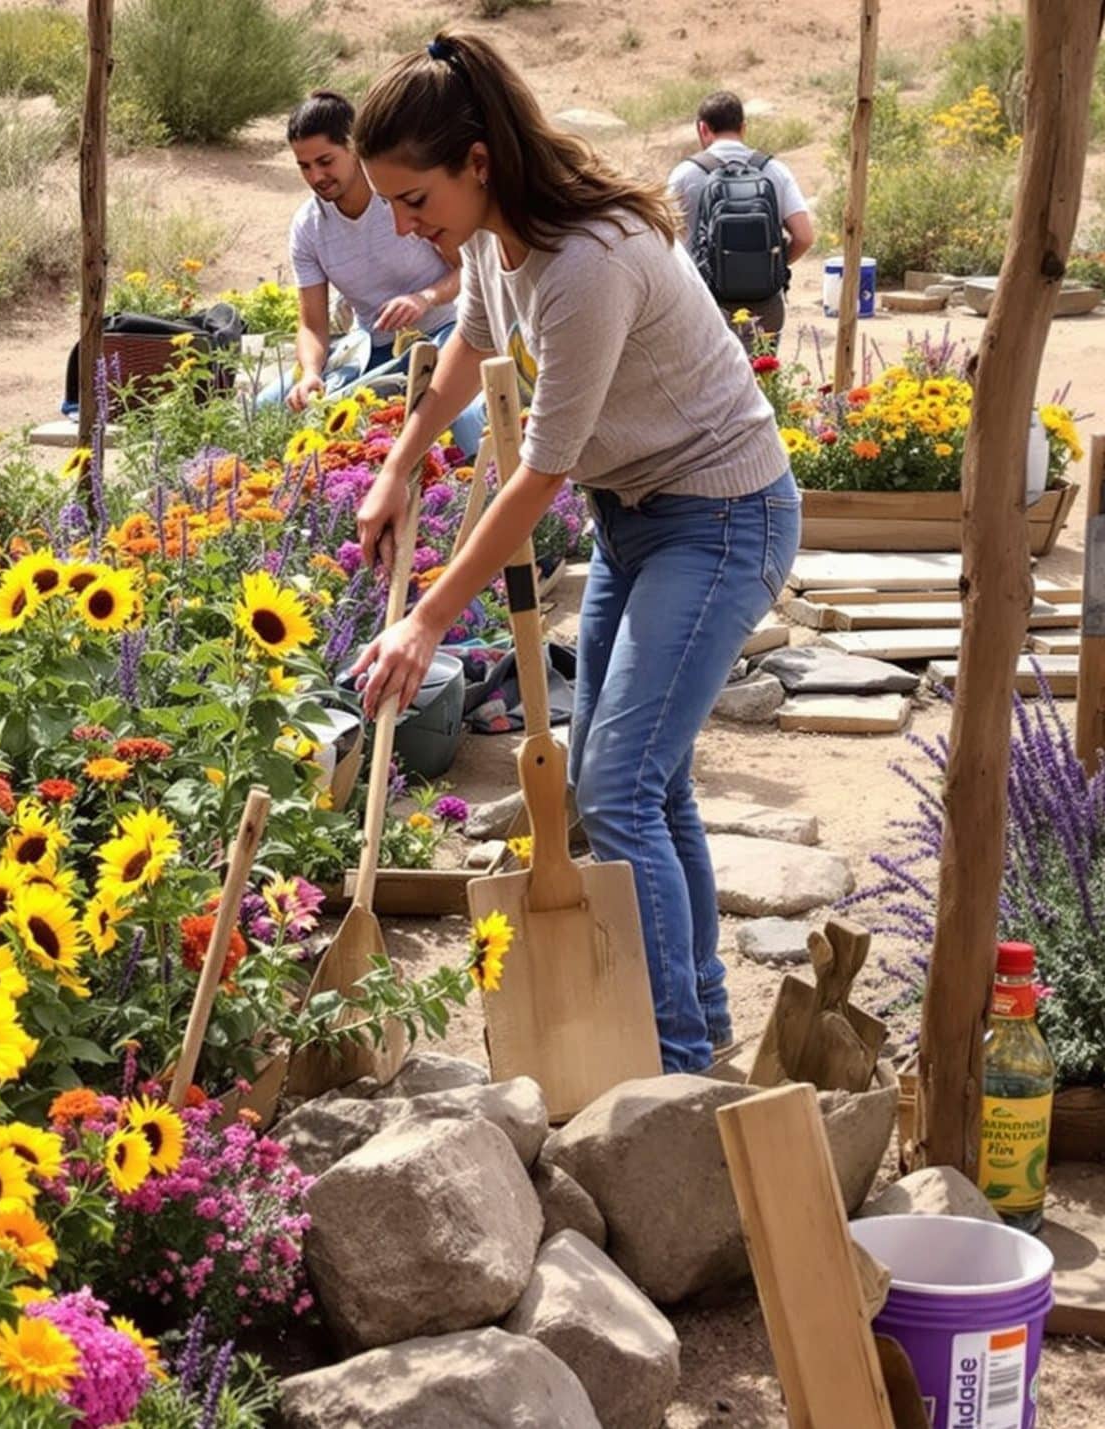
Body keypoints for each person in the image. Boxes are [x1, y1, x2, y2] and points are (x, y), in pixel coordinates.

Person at [342, 32, 799, 1074]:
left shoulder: (584, 261)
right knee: (650, 780)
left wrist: (424, 618)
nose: (408, 228)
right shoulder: (500, 246)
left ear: (477, 163)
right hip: (641, 515)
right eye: (393, 205)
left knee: (616, 787)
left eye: (415, 200)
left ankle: (675, 1068)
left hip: (723, 516)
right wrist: (399, 462)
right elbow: (466, 344)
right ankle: (702, 1021)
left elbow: (539, 474)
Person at [266, 89, 485, 462]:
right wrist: (311, 374)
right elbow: (312, 325)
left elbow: (472, 271)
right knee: (265, 408)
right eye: (304, 167)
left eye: (325, 161)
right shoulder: (308, 227)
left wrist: (424, 298)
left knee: (461, 416)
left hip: (443, 329)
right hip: (372, 346)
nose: (316, 176)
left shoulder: (400, 197)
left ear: (353, 147)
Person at [667, 90, 814, 340]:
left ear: (703, 129)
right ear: (743, 127)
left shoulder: (684, 175)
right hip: (764, 304)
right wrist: (768, 267)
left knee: (708, 377)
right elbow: (804, 237)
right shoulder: (774, 170)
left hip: (705, 303)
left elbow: (667, 243)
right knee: (762, 373)